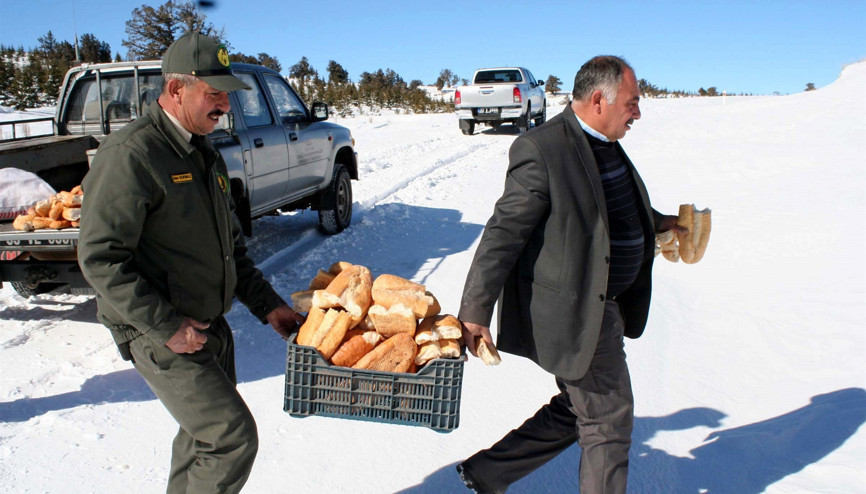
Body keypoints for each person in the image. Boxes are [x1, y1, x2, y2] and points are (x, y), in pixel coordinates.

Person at [78, 32, 304, 494]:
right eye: (213, 94)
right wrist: (165, 325)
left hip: (208, 324)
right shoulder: (132, 155)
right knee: (229, 438)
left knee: (203, 440)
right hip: (160, 329)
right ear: (176, 89)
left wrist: (269, 306)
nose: (225, 106)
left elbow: (231, 251)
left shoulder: (204, 152)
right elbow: (100, 258)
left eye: (227, 94)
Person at [456, 56, 683, 493]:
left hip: (605, 305)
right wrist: (475, 311)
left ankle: (488, 471)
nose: (638, 112)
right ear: (599, 99)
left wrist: (657, 222)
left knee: (583, 407)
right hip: (576, 311)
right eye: (633, 102)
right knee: (609, 421)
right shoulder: (543, 149)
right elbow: (504, 232)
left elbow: (605, 209)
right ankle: (490, 472)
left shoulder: (604, 140)